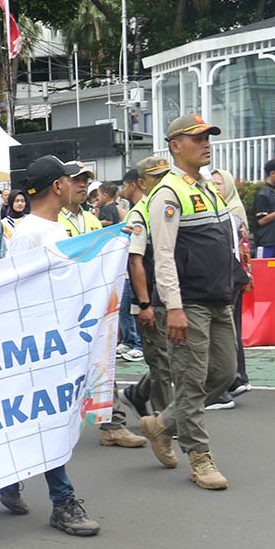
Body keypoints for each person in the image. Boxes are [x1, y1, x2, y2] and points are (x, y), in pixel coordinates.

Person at [0, 156, 103, 535]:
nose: (77, 185)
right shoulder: (30, 232)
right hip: (39, 343)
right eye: (69, 179)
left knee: (34, 417)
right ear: (56, 186)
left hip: (61, 337)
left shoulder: (59, 226)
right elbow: (17, 289)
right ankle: (62, 501)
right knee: (48, 419)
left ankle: (7, 481)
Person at [138, 114, 237, 490]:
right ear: (176, 145)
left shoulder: (208, 188)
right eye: (197, 138)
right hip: (189, 302)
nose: (206, 142)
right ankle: (199, 459)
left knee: (225, 374)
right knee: (192, 383)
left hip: (218, 299)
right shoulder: (167, 192)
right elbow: (162, 255)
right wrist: (173, 306)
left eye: (208, 136)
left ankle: (161, 423)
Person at [122, 157, 175, 419]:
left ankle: (137, 394)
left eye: (167, 175)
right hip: (150, 299)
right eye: (157, 177)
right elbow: (135, 260)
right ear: (142, 183)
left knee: (170, 360)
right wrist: (144, 304)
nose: (164, 182)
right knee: (161, 362)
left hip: (171, 295)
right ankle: (165, 421)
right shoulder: (139, 214)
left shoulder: (172, 205)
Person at [211, 168, 254, 403]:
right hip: (232, 276)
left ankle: (232, 380)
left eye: (219, 184)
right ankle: (238, 378)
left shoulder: (232, 209)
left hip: (230, 276)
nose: (215, 187)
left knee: (227, 328)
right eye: (213, 183)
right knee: (231, 326)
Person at [252, 158, 275, 260]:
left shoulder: (272, 191)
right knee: (264, 273)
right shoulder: (262, 194)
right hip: (265, 242)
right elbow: (262, 220)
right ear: (272, 173)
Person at [58, 163, 102, 236]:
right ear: (59, 184)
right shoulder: (51, 220)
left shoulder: (93, 220)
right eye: (75, 180)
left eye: (85, 180)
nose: (82, 184)